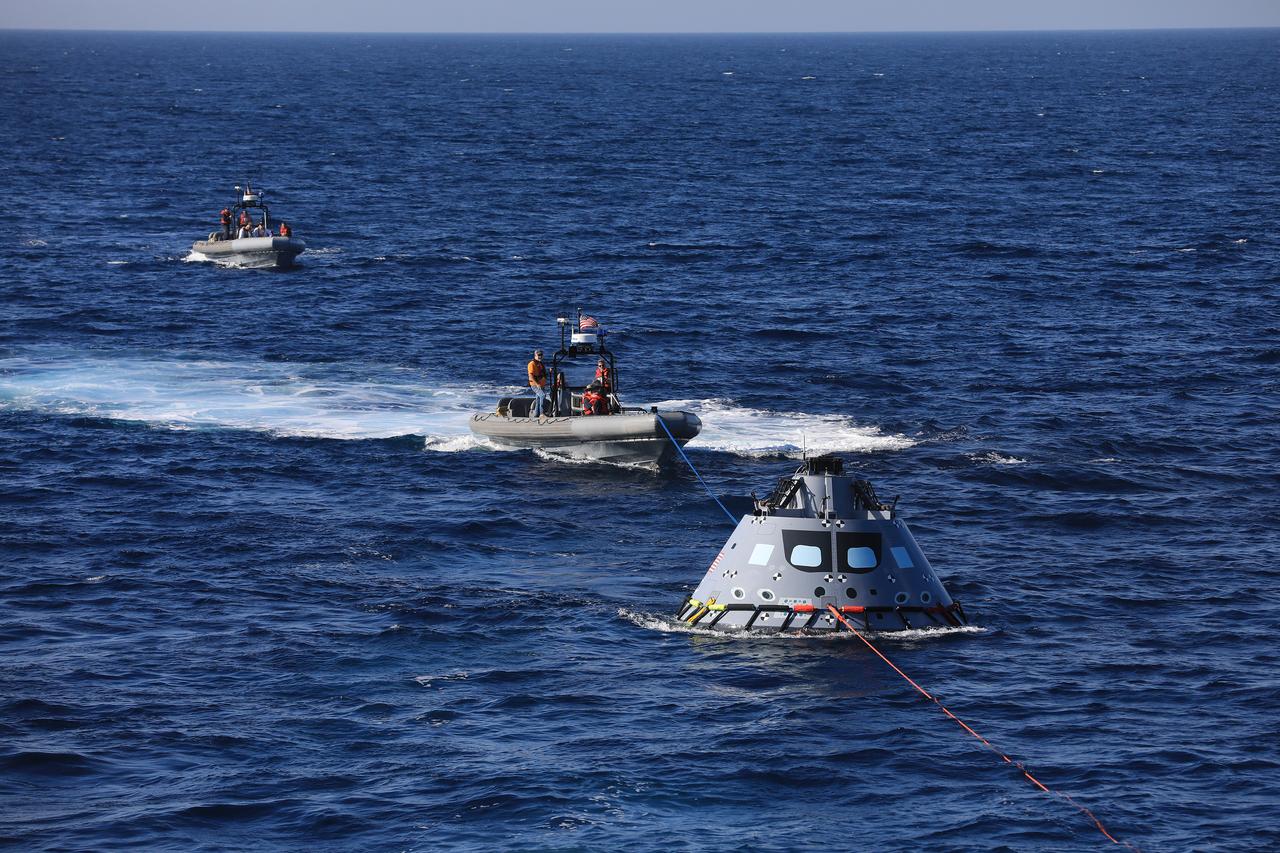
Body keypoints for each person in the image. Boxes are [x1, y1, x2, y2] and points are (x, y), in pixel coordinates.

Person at [527, 349, 548, 418]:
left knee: (538, 398)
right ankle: (542, 413)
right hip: (535, 385)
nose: (540, 356)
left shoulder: (540, 364)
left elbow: (542, 374)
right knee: (542, 395)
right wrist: (537, 384)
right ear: (535, 355)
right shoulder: (532, 364)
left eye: (541, 355)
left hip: (541, 384)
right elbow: (531, 375)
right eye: (539, 355)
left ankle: (536, 414)